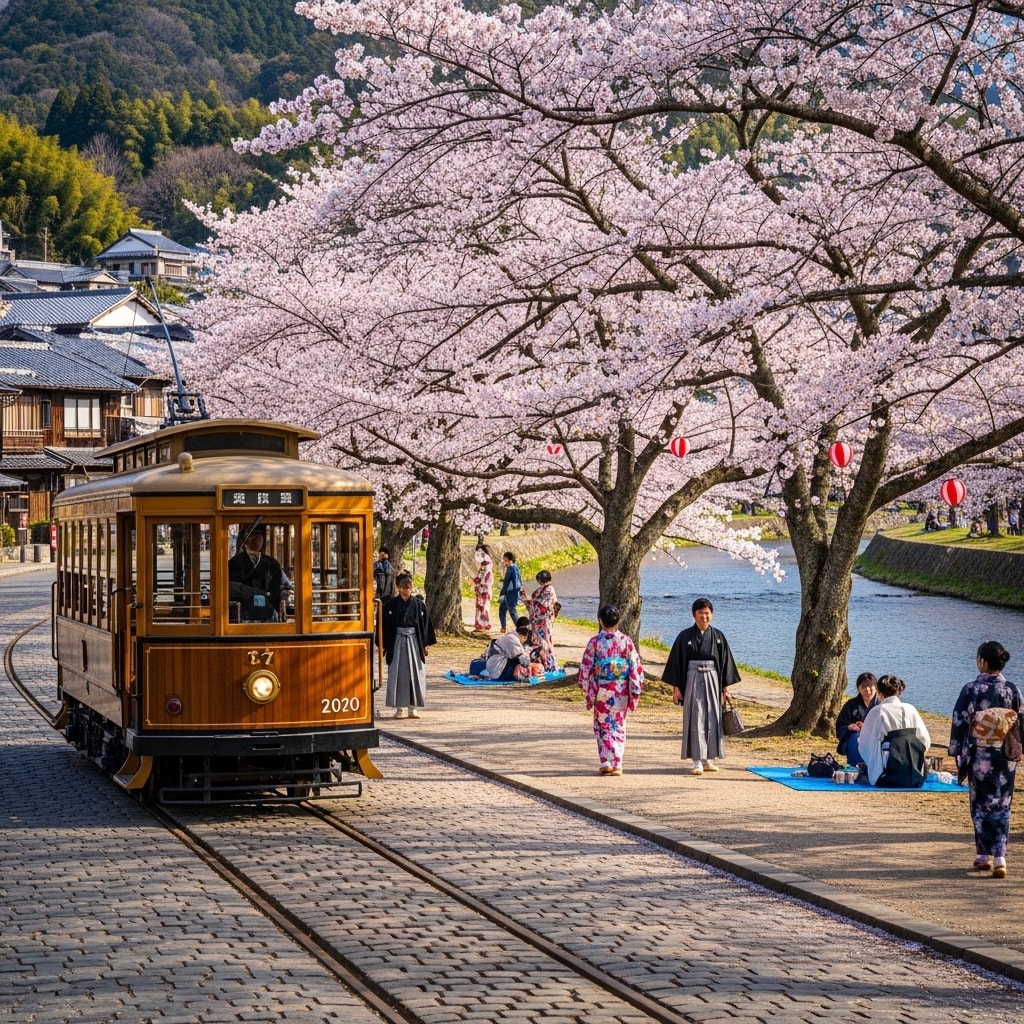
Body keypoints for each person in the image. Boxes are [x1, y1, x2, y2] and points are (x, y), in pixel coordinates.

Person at [948, 641, 1023, 877]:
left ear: (982, 661)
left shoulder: (971, 689)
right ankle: (1000, 857)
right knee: (1002, 804)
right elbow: (1020, 721)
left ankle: (983, 855)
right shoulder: (1012, 689)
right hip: (1004, 757)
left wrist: (956, 750)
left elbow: (960, 720)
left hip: (979, 755)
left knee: (980, 804)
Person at [663, 597, 740, 775]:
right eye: (700, 613)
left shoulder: (718, 637)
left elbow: (725, 664)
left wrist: (725, 689)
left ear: (711, 614)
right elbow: (676, 663)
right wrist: (676, 689)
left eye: (707, 613)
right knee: (695, 717)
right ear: (694, 615)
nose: (704, 617)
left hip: (713, 679)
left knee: (713, 717)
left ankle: (708, 758)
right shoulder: (684, 636)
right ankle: (697, 760)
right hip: (692, 678)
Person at [578, 604, 645, 776]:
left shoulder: (595, 642)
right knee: (618, 725)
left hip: (602, 689)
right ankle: (617, 763)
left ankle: (607, 761)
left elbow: (586, 667)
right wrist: (635, 690)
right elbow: (635, 667)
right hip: (621, 690)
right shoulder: (626, 641)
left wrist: (586, 687)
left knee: (603, 726)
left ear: (600, 620)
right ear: (618, 621)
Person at [381, 571, 437, 718]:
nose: (406, 590)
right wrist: (383, 644)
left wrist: (425, 644)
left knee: (415, 674)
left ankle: (413, 708)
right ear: (398, 588)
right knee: (398, 674)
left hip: (414, 641)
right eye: (403, 587)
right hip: (397, 641)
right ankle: (399, 709)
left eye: (408, 587)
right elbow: (384, 626)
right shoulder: (391, 605)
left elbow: (425, 626)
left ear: (412, 588)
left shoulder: (419, 605)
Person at [858, 674, 931, 786]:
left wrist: (873, 762)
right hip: (913, 768)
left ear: (879, 693)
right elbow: (925, 740)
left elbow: (865, 744)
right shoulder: (910, 709)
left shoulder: (878, 711)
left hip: (888, 770)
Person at [228, 527, 284, 622]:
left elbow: (280, 589)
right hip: (241, 615)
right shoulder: (234, 563)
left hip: (265, 613)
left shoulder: (272, 563)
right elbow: (230, 588)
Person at [835, 672, 879, 767]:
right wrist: (849, 727)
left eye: (870, 686)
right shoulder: (851, 705)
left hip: (877, 737)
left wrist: (868, 728)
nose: (868, 690)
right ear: (858, 688)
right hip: (856, 736)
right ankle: (856, 767)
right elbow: (840, 725)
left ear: (876, 687)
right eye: (864, 687)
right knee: (855, 739)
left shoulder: (882, 704)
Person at [523, 569, 558, 672]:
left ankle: (549, 665)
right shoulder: (542, 590)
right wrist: (525, 597)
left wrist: (531, 603)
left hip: (543, 622)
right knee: (535, 643)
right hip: (536, 622)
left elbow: (543, 606)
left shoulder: (549, 590)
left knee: (545, 644)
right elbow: (534, 604)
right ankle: (538, 664)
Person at [485, 616, 532, 682]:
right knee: (523, 667)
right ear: (525, 637)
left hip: (494, 665)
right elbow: (525, 661)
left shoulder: (510, 636)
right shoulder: (513, 639)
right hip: (498, 669)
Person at [497, 551, 523, 634]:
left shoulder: (511, 568)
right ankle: (503, 627)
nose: (504, 562)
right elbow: (520, 580)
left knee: (512, 612)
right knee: (502, 609)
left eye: (505, 560)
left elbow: (507, 582)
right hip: (512, 592)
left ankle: (520, 629)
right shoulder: (516, 567)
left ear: (510, 560)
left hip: (510, 593)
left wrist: (502, 593)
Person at [472, 543, 494, 631]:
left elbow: (484, 578)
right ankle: (481, 624)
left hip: (483, 589)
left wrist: (477, 581)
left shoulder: (486, 565)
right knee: (482, 607)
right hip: (483, 589)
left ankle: (483, 624)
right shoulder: (486, 564)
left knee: (483, 607)